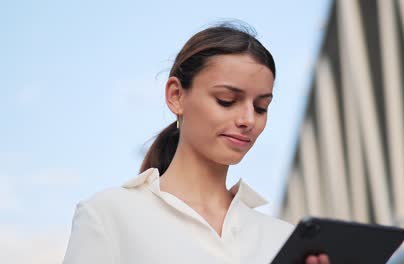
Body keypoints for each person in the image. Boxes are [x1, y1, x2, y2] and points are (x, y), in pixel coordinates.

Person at [63, 23, 330, 264]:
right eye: (226, 100)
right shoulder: (109, 215)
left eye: (261, 107)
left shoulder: (282, 239)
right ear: (176, 96)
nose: (249, 119)